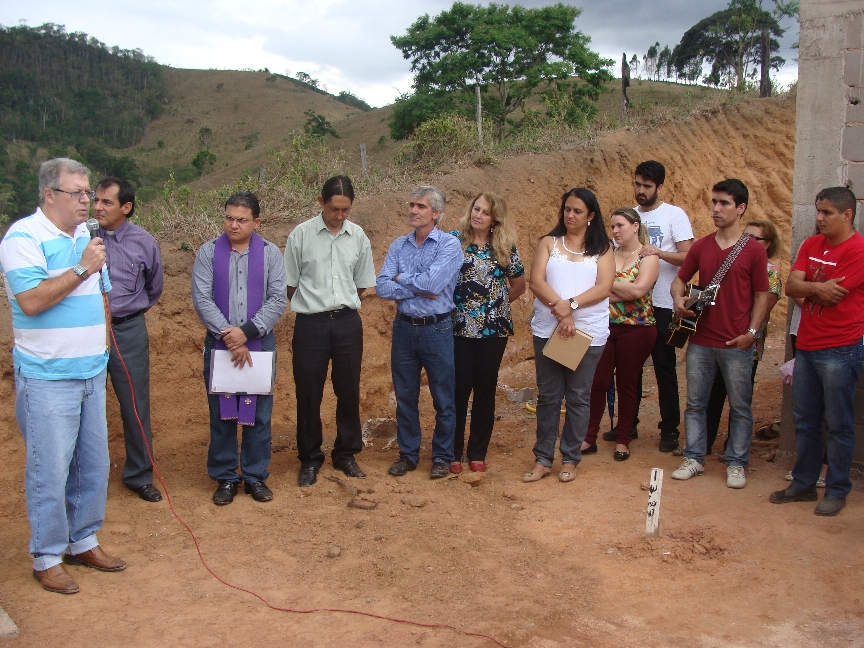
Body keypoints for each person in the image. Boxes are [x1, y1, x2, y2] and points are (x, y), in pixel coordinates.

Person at [0, 158, 125, 594]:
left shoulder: (85, 237)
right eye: (78, 193)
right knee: (49, 469)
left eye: (88, 193)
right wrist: (81, 269)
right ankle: (47, 554)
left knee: (93, 464)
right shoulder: (23, 237)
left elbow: (102, 296)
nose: (87, 201)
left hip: (91, 370)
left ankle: (82, 540)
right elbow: (31, 301)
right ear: (49, 194)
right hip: (47, 376)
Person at [670, 179, 771, 489]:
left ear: (740, 208)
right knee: (696, 403)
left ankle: (737, 462)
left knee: (740, 406)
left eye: (724, 203)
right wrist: (677, 299)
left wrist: (751, 334)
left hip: (735, 341)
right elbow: (680, 279)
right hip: (701, 340)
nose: (716, 208)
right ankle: (694, 457)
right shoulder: (701, 245)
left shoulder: (754, 251)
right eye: (714, 202)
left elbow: (762, 295)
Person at [770, 187, 864, 516]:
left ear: (847, 215)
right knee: (806, 420)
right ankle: (804, 484)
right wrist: (815, 288)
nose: (819, 218)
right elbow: (791, 287)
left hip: (841, 348)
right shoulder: (811, 244)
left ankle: (837, 490)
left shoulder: (858, 250)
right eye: (818, 211)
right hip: (806, 346)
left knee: (838, 423)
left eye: (826, 213)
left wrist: (810, 288)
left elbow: (833, 295)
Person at [192, 191, 287, 505]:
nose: (233, 225)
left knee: (259, 414)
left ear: (256, 222)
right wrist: (229, 337)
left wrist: (245, 333)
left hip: (259, 343)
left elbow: (277, 299)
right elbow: (202, 298)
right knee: (221, 414)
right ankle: (225, 477)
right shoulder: (208, 252)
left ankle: (255, 476)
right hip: (219, 344)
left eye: (242, 219)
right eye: (229, 218)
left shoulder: (271, 254)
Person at [283, 176, 376, 487]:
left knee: (348, 389)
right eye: (334, 209)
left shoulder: (358, 236)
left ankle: (345, 453)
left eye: (346, 210)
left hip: (348, 323)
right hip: (311, 324)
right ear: (321, 202)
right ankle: (310, 457)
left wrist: (340, 306)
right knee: (308, 391)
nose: (340, 216)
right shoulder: (301, 236)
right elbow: (290, 283)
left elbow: (363, 283)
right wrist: (317, 305)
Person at [524, 188, 614, 483]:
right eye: (567, 209)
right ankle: (543, 458)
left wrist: (571, 306)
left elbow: (604, 286)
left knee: (578, 396)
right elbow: (536, 280)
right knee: (549, 395)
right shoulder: (549, 243)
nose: (570, 215)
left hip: (587, 331)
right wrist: (562, 313)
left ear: (591, 216)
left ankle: (571, 458)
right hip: (549, 329)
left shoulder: (603, 248)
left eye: (577, 211)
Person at [376, 186, 463, 480]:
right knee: (405, 396)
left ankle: (442, 456)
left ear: (436, 213)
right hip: (404, 329)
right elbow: (382, 286)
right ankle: (408, 454)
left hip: (437, 329)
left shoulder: (449, 245)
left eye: (421, 206)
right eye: (412, 205)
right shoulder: (399, 245)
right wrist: (417, 284)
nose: (413, 210)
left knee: (443, 396)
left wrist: (403, 279)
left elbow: (434, 285)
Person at [94, 177, 164, 503]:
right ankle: (85, 478)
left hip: (127, 330)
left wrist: (127, 314)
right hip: (86, 331)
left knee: (135, 404)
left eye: (106, 202)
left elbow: (154, 288)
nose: (97, 207)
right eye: (96, 200)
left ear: (126, 207)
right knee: (84, 405)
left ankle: (138, 474)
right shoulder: (81, 238)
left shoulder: (143, 242)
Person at [449, 192, 526, 473]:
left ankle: (477, 452)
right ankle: (453, 452)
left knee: (485, 390)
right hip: (458, 328)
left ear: (495, 220)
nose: (478, 215)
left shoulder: (504, 246)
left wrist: (494, 306)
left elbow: (518, 285)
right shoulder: (454, 240)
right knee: (458, 389)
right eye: (476, 208)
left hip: (494, 332)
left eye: (485, 212)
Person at [628, 160, 694, 453]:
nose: (641, 191)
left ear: (660, 188)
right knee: (630, 368)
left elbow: (690, 258)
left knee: (664, 367)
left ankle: (669, 429)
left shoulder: (674, 215)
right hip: (633, 303)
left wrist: (659, 252)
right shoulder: (629, 216)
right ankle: (627, 425)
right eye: (637, 184)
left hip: (664, 303)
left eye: (647, 186)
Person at [584, 207, 659, 461]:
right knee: (597, 383)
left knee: (627, 383)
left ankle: (623, 439)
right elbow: (594, 288)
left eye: (621, 226)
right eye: (613, 226)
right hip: (604, 326)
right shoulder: (606, 255)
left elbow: (639, 291)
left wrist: (606, 287)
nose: (615, 231)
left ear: (635, 226)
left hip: (638, 329)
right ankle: (589, 437)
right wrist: (616, 290)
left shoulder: (648, 256)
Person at [705, 219, 781, 456]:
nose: (746, 242)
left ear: (767, 244)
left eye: (754, 238)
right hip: (720, 339)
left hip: (747, 344)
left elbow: (763, 306)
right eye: (744, 236)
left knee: (739, 400)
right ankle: (704, 442)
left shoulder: (771, 272)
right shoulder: (730, 263)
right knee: (713, 393)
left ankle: (735, 449)